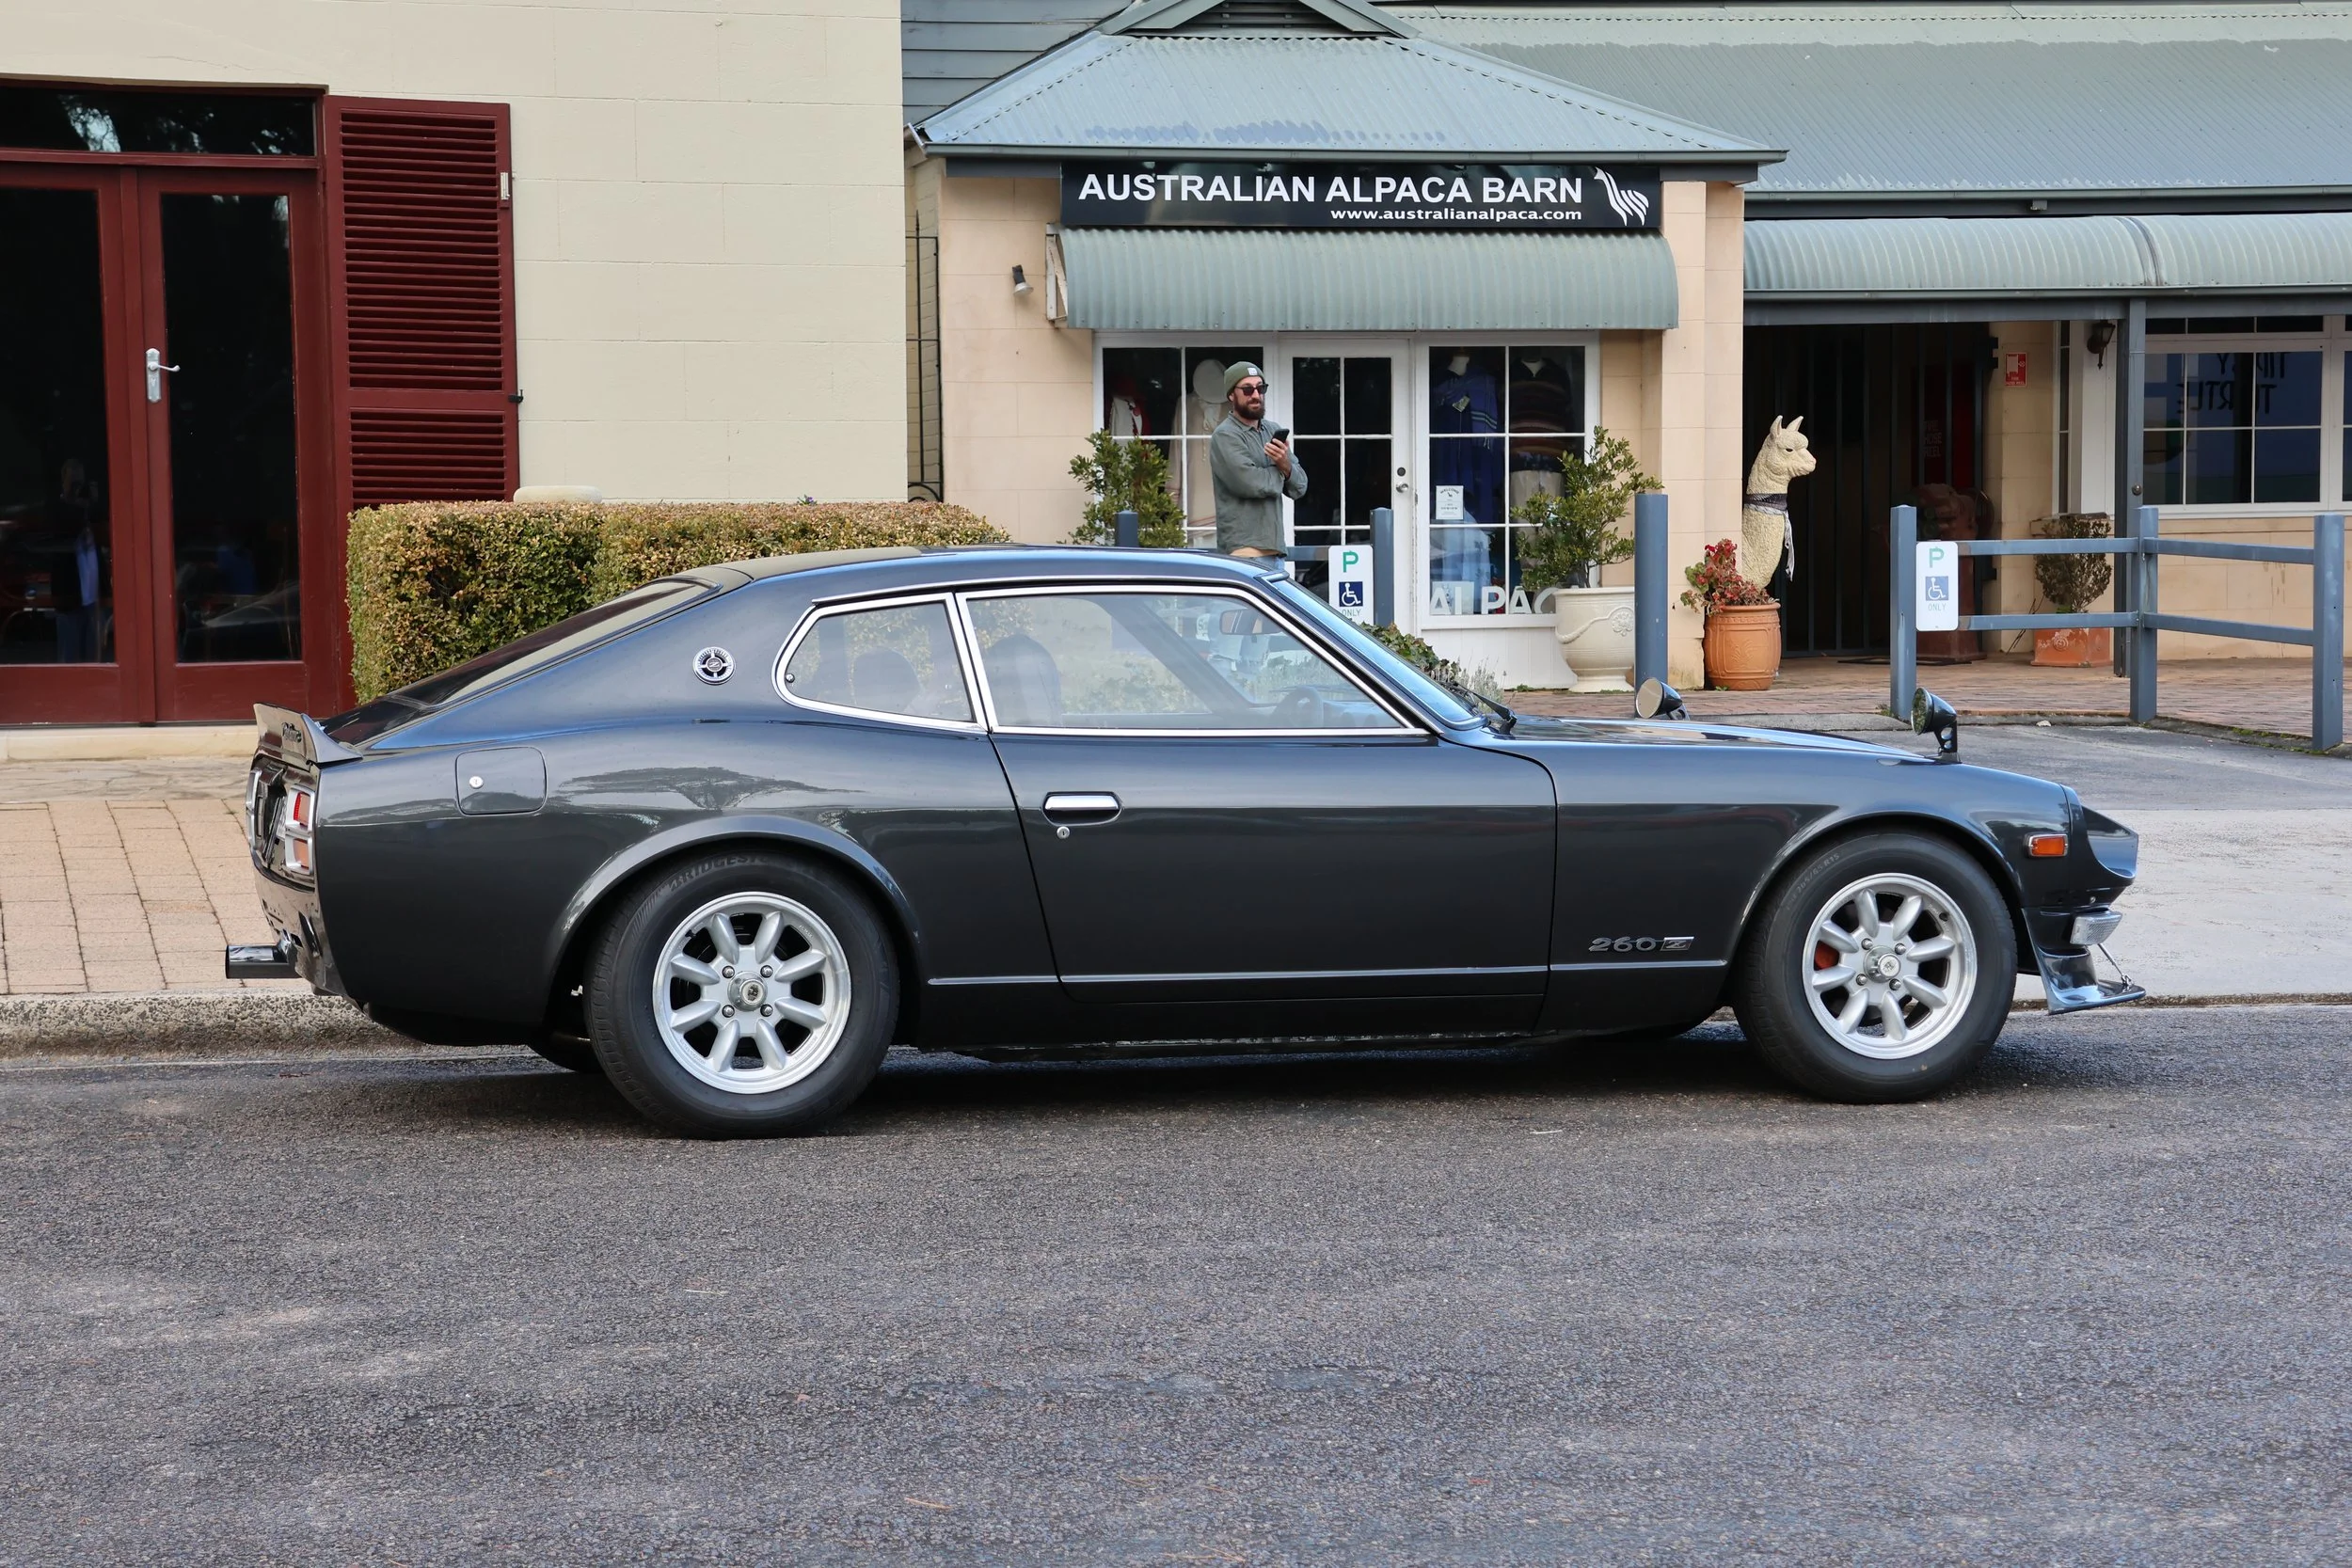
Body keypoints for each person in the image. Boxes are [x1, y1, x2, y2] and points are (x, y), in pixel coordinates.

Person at [1209, 361, 1306, 558]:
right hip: (1244, 553)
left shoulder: (1271, 429)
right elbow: (1251, 483)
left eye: (1260, 388)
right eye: (1247, 389)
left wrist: (1285, 466)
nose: (1255, 395)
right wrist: (1282, 469)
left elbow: (1300, 486)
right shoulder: (1225, 435)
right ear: (1231, 395)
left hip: (1276, 550)